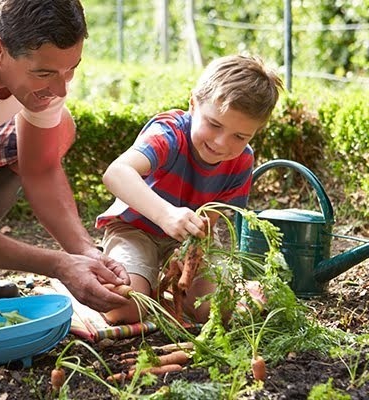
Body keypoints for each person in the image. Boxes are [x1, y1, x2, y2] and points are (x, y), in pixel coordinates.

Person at [95, 54, 283, 324]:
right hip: (135, 228)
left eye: (240, 136)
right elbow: (116, 173)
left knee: (214, 311)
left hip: (189, 239)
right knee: (123, 309)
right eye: (214, 124)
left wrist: (190, 253)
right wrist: (165, 215)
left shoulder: (242, 161)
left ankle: (165, 291)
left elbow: (210, 222)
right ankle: (122, 277)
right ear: (193, 104)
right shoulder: (169, 134)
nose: (221, 143)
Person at [0, 0, 130, 311]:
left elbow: (41, 168)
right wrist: (58, 265)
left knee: (59, 128)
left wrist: (84, 252)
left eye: (71, 69)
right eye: (44, 73)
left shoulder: (46, 70)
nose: (60, 88)